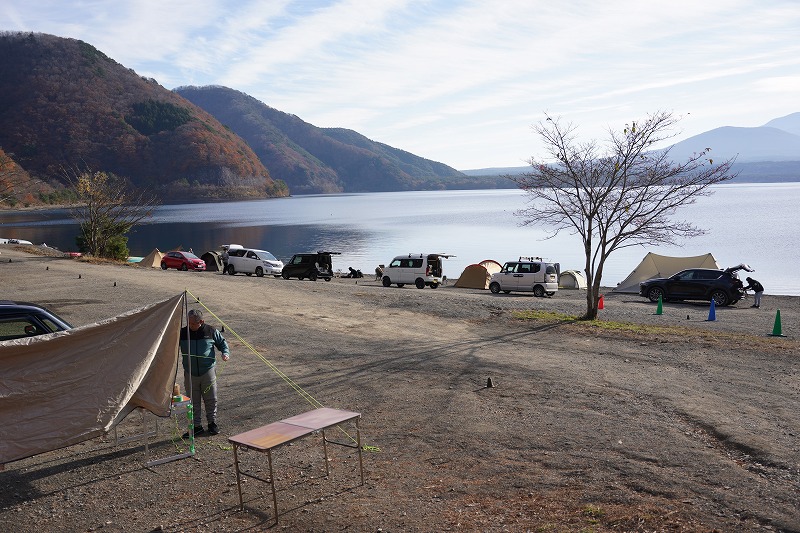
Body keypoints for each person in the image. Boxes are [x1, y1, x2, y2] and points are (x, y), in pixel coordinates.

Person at [180, 308, 230, 436]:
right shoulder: (183, 333)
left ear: (201, 321)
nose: (190, 326)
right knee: (193, 401)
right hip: (190, 372)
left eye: (193, 324)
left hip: (207, 371)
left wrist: (225, 353)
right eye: (189, 323)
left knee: (211, 398)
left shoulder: (211, 331)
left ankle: (212, 423)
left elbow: (222, 344)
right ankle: (196, 426)